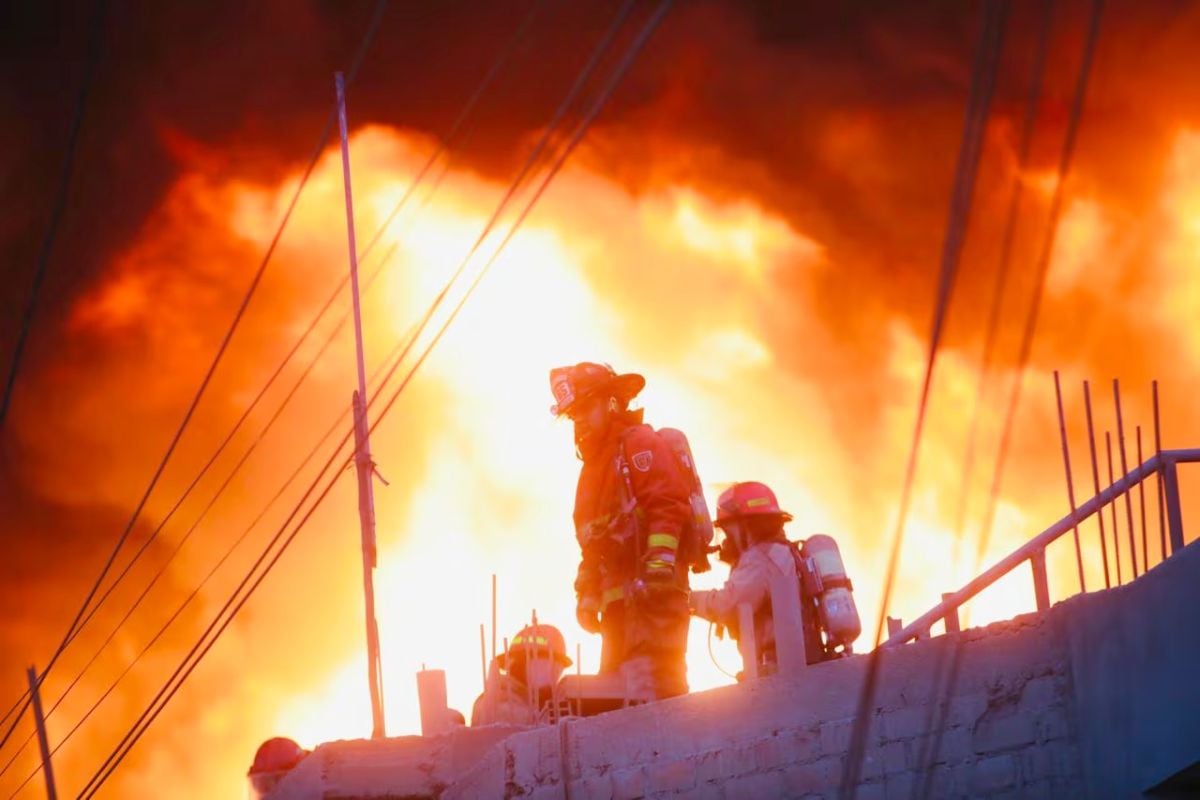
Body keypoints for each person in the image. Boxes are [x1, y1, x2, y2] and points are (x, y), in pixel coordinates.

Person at [549, 362, 692, 700]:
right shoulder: (593, 468)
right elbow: (589, 541)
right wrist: (586, 591)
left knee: (654, 689)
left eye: (585, 408)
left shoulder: (639, 444)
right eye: (573, 415)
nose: (579, 420)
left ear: (611, 402)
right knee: (615, 695)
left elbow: (667, 505)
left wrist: (659, 567)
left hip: (654, 602)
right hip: (616, 612)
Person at [689, 481, 825, 675]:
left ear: (745, 525)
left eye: (728, 529)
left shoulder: (761, 557)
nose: (727, 539)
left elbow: (730, 604)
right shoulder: (783, 552)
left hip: (777, 671)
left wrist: (689, 600)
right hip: (798, 665)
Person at [470, 624, 572, 726]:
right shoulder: (502, 705)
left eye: (558, 670)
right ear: (521, 664)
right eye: (552, 667)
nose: (554, 677)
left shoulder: (526, 703)